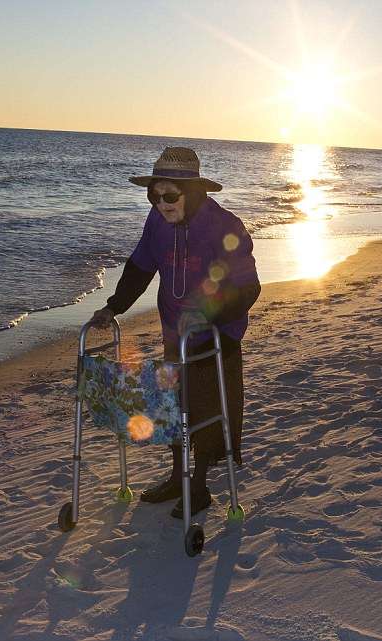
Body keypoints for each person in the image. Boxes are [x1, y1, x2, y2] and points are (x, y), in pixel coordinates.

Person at [90, 147, 261, 518]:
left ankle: (198, 484)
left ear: (194, 192)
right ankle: (177, 476)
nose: (161, 203)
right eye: (155, 194)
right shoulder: (156, 222)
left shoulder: (224, 226)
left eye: (170, 196)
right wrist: (113, 306)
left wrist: (210, 316)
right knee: (173, 406)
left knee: (205, 408)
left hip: (219, 333)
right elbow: (139, 267)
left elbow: (249, 287)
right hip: (174, 330)